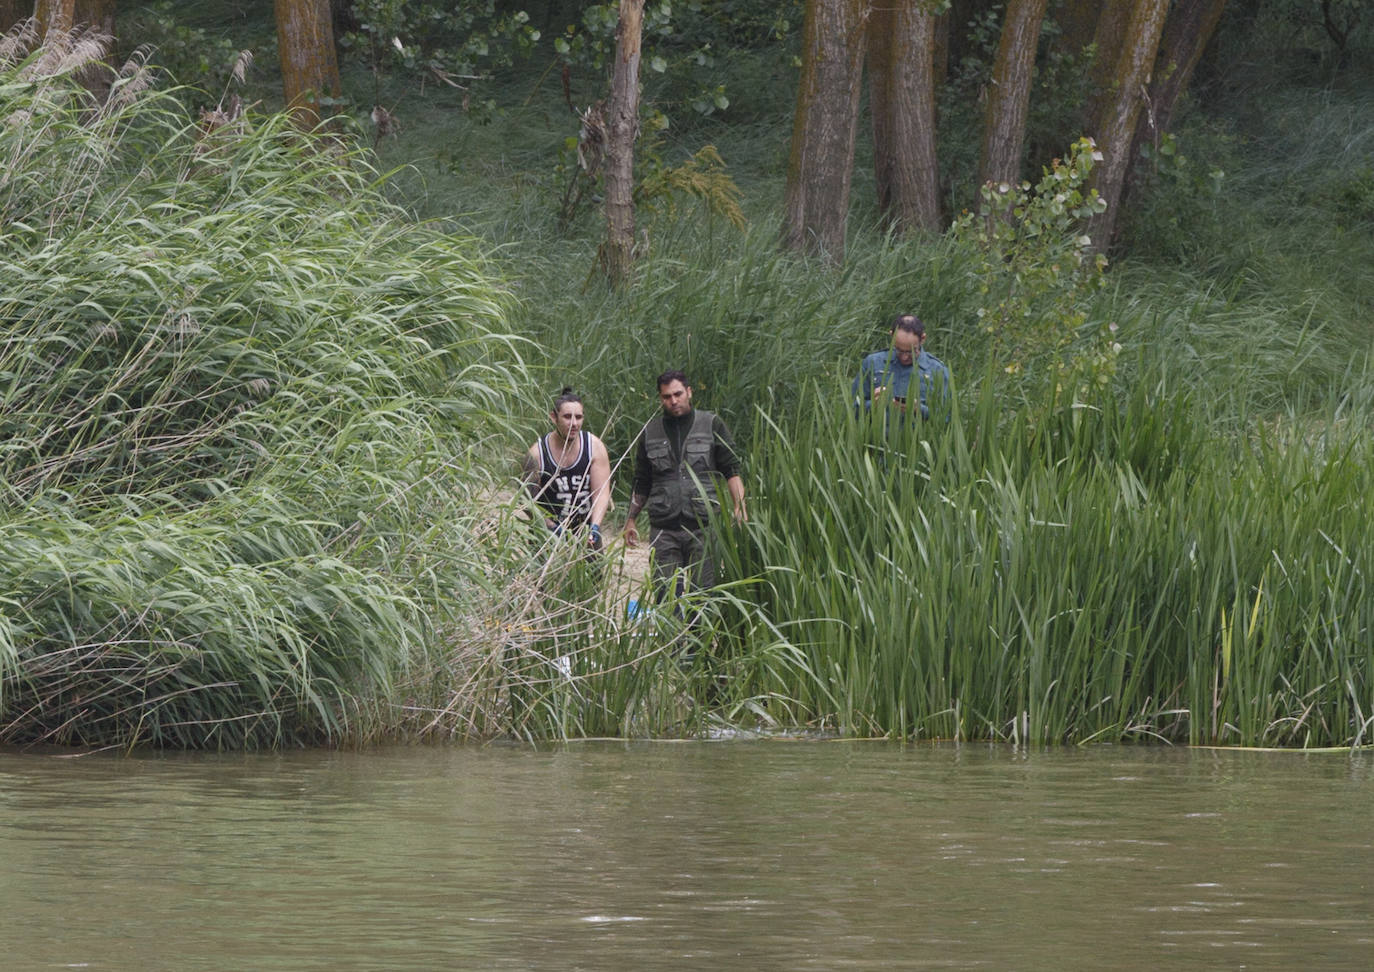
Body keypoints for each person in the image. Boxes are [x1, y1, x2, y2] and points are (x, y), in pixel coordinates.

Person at [623, 370, 745, 597]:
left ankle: (700, 634)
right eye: (667, 397)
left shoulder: (712, 425)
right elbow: (642, 480)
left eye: (678, 394)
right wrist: (630, 519)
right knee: (666, 596)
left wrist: (739, 506)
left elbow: (731, 470)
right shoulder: (650, 432)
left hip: (704, 527)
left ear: (689, 392)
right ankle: (674, 634)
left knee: (704, 595)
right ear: (660, 398)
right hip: (664, 528)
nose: (673, 401)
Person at [523, 387, 611, 552]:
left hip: (586, 533)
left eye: (578, 417)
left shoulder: (594, 447)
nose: (574, 423)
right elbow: (528, 503)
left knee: (594, 576)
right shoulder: (537, 454)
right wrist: (551, 528)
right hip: (547, 533)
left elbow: (602, 492)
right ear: (553, 417)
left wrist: (595, 526)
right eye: (567, 417)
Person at [852, 313, 951, 421]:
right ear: (891, 335)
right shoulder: (872, 363)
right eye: (898, 350)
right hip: (877, 436)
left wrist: (918, 410)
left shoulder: (938, 371)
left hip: (919, 437)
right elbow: (852, 409)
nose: (904, 357)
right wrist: (874, 404)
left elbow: (946, 418)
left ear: (923, 338)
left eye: (911, 352)